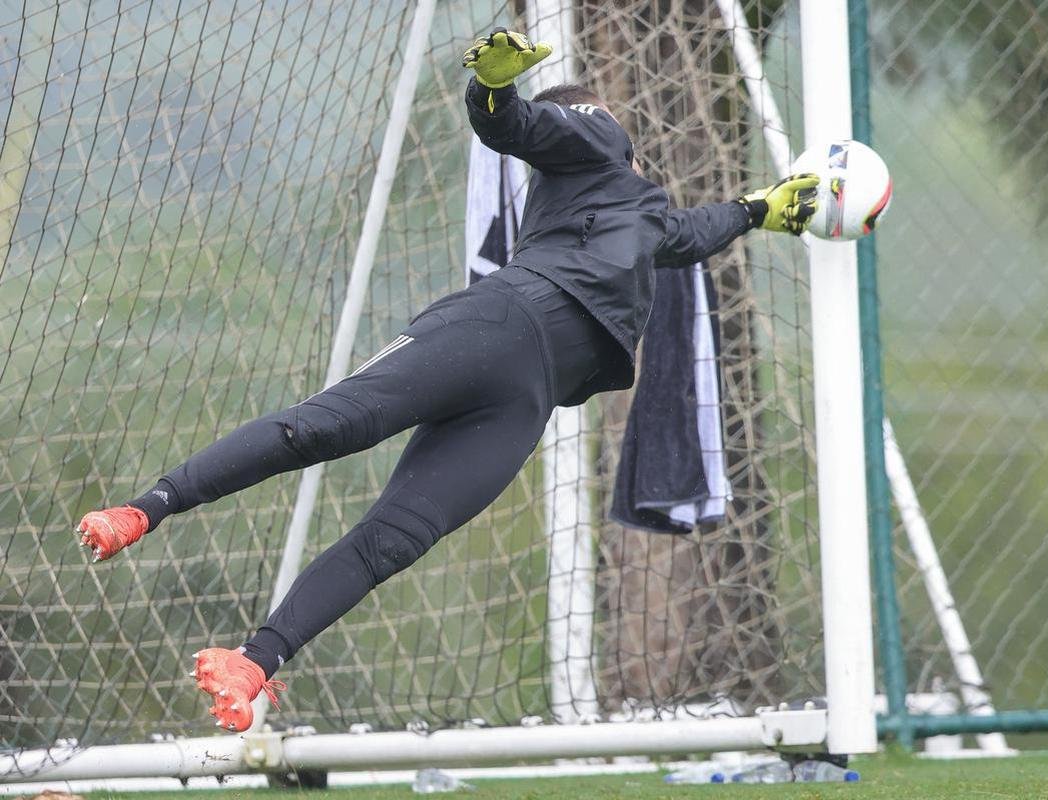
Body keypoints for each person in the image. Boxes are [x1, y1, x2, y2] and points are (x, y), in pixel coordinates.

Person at [75, 28, 819, 733]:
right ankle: (146, 510)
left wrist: (759, 210)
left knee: (395, 540)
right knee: (329, 427)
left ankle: (251, 663)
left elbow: (692, 234)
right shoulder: (595, 139)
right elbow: (523, 128)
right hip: (500, 325)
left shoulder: (642, 213)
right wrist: (491, 93)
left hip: (525, 402)